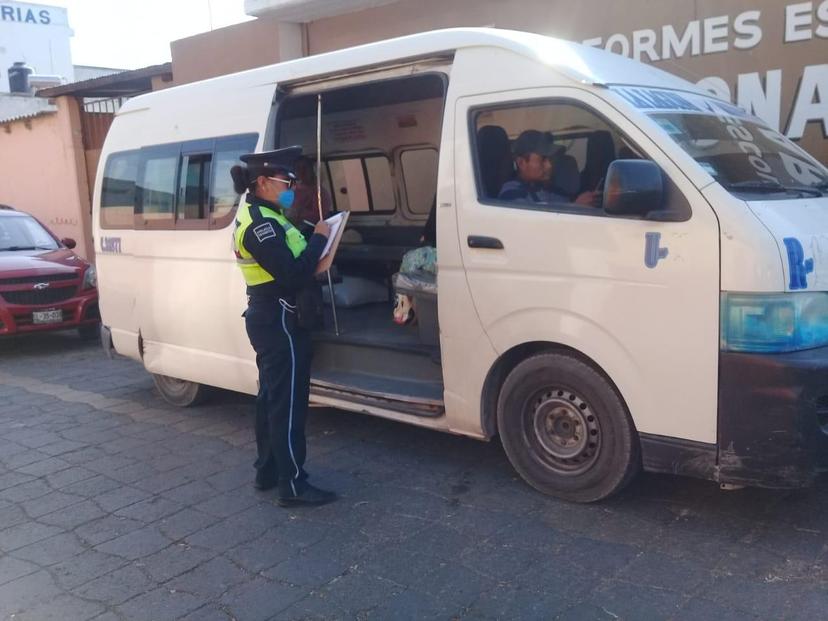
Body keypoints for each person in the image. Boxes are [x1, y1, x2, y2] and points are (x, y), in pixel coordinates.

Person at [230, 146, 337, 507]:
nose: (291, 186)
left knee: (271, 398)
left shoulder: (268, 214)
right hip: (279, 316)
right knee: (287, 403)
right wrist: (322, 238)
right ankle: (293, 484)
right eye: (286, 181)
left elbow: (291, 250)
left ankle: (268, 470)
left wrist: (312, 231)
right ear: (262, 182)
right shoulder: (260, 226)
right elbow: (291, 273)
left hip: (273, 314)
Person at [498, 130, 597, 206]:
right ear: (521, 163)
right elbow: (530, 226)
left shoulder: (552, 189)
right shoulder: (511, 193)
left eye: (550, 159)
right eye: (543, 159)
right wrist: (576, 207)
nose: (549, 165)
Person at [287, 156, 332, 228]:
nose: (301, 172)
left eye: (304, 168)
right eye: (298, 169)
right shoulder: (291, 189)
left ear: (311, 170)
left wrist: (299, 212)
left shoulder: (320, 193)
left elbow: (320, 218)